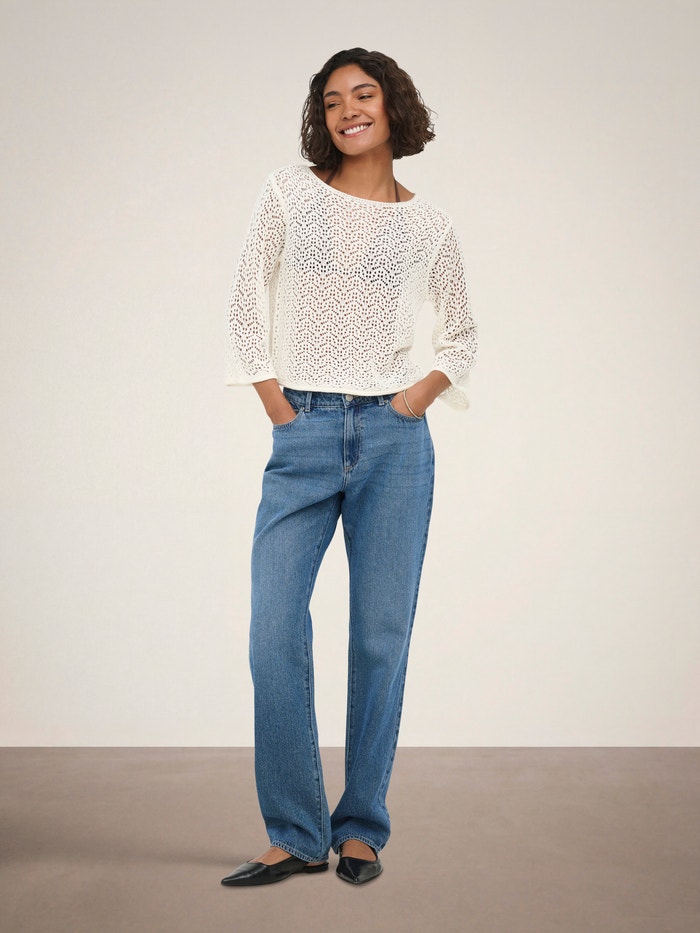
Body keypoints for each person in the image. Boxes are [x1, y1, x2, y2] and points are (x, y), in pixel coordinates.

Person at [221, 48, 477, 887]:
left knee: (380, 637)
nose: (347, 111)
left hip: (395, 443)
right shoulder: (287, 195)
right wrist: (277, 405)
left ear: (393, 106)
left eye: (363, 95)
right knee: (272, 633)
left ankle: (361, 825)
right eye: (331, 101)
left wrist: (412, 400)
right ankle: (298, 831)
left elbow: (462, 336)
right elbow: (244, 301)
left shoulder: (430, 225)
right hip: (303, 431)